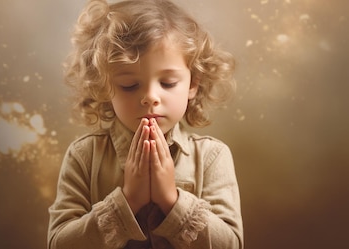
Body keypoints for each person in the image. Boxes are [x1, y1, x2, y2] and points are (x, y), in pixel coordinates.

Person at [47, 0, 243, 248]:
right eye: (129, 85)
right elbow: (59, 244)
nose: (150, 97)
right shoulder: (84, 156)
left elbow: (231, 244)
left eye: (168, 83)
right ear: (105, 87)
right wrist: (128, 201)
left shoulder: (212, 157)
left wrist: (171, 200)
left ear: (192, 83)